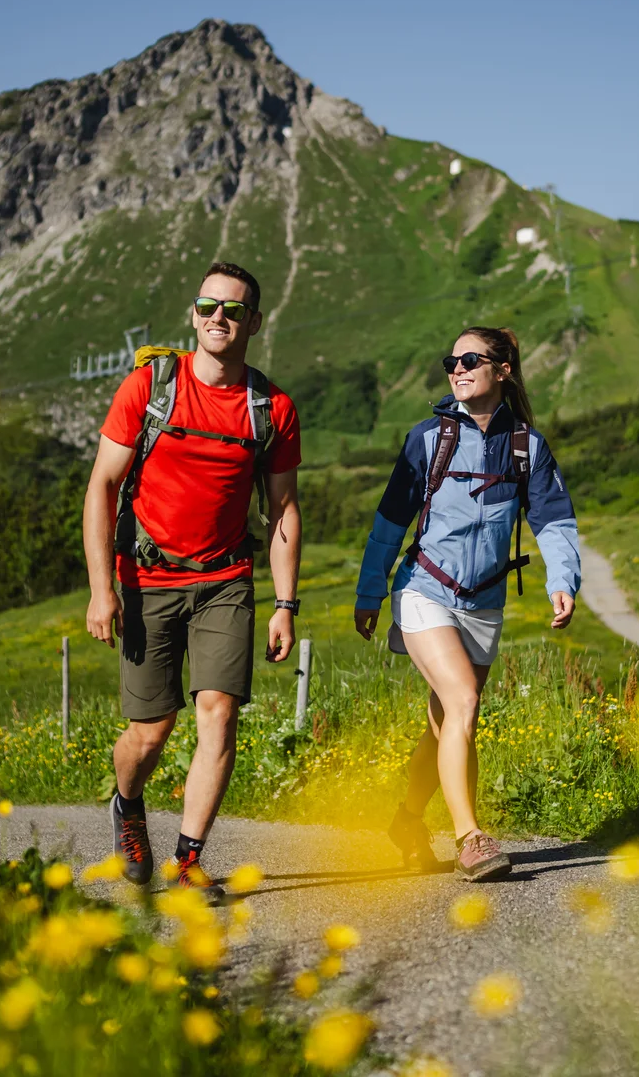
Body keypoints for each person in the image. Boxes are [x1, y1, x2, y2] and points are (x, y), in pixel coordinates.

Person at [82, 261, 302, 900]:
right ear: (194, 314)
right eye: (208, 306)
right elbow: (102, 485)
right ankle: (127, 804)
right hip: (146, 577)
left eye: (233, 311)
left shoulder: (272, 408)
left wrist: (285, 603)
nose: (218, 318)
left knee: (219, 713)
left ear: (253, 323)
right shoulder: (150, 387)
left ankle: (188, 861)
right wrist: (102, 588)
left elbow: (282, 508)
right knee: (152, 731)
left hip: (226, 578)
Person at [353, 327, 580, 880]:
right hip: (423, 589)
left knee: (448, 723)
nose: (457, 367)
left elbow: (552, 518)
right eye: (451, 360)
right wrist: (370, 589)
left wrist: (563, 578)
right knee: (463, 699)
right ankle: (470, 838)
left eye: (471, 359)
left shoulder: (527, 445)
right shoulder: (429, 438)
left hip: (484, 602)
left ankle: (408, 820)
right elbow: (390, 523)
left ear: (503, 369)